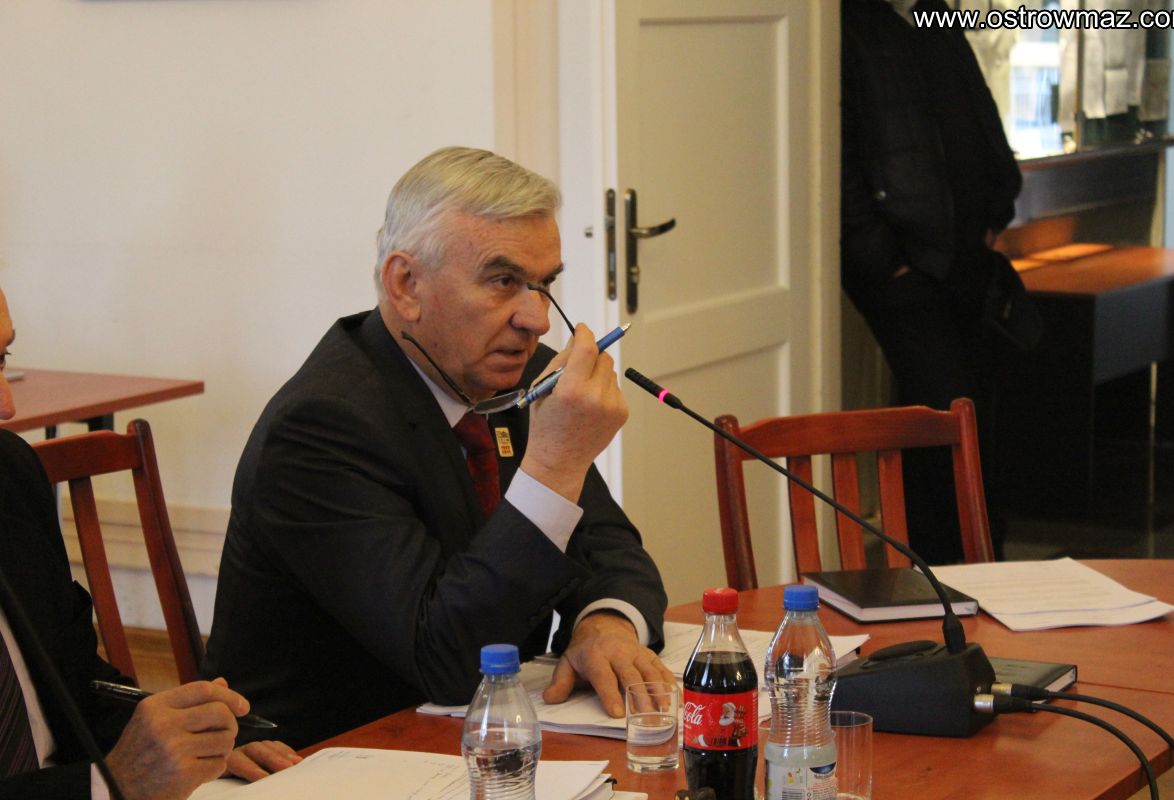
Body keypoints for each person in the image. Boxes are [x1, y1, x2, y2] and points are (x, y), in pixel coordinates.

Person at [203, 146, 672, 748]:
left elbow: (608, 546)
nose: (537, 320)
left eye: (545, 285)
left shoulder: (518, 373)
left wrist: (604, 623)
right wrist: (556, 464)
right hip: (330, 756)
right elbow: (446, 659)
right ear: (406, 285)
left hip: (481, 739)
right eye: (503, 282)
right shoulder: (321, 427)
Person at [0, 287, 300, 800]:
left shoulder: (10, 473)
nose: (7, 406)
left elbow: (75, 682)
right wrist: (110, 783)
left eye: (4, 358)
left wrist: (191, 741)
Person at [840, 0, 1039, 563]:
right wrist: (881, 258)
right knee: (947, 411)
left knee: (966, 415)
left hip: (965, 257)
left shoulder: (934, 15)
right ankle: (961, 565)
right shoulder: (849, 24)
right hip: (903, 267)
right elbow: (837, 153)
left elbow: (979, 113)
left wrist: (998, 205)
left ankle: (965, 563)